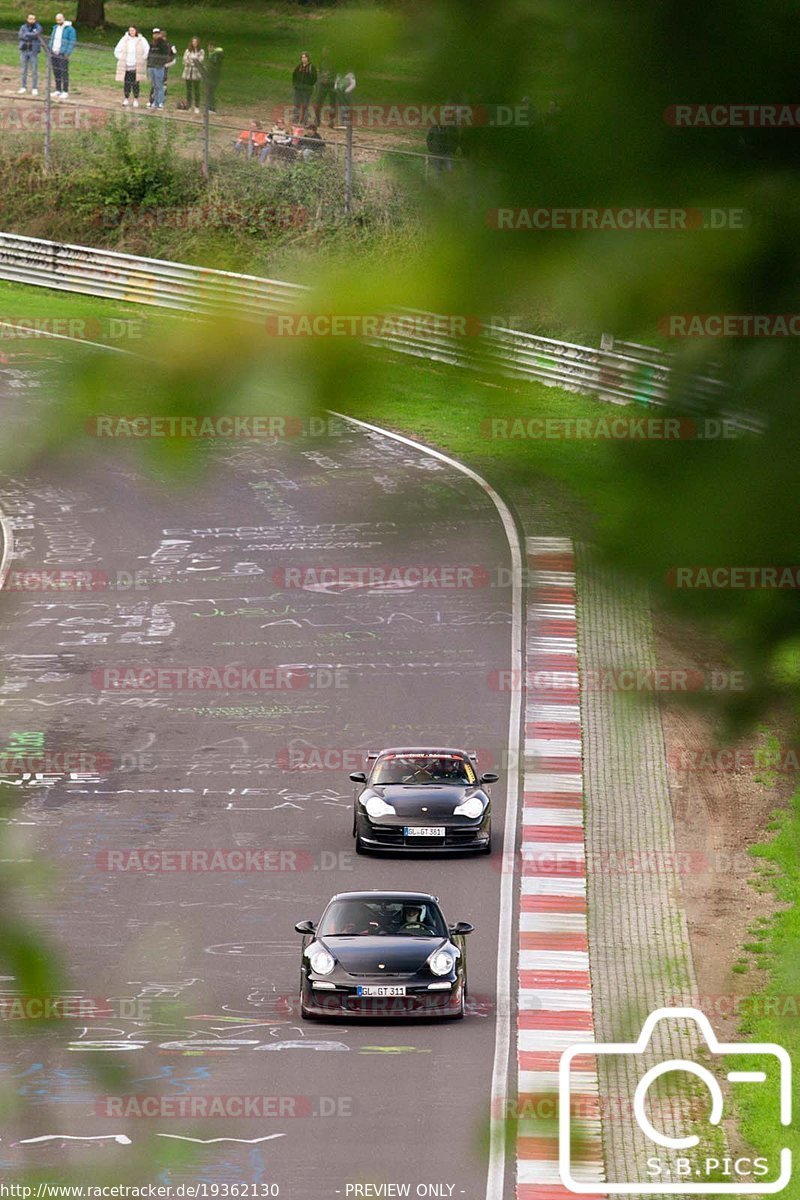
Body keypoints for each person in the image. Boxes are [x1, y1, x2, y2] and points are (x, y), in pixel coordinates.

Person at [114, 26, 148, 108]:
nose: (131, 32)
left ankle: (136, 99)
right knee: (127, 83)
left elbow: (147, 50)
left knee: (136, 83)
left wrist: (142, 59)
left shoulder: (141, 40)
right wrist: (121, 58)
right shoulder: (124, 39)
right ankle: (126, 98)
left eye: (133, 30)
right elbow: (117, 50)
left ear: (136, 31)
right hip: (127, 65)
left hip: (136, 65)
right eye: (130, 30)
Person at [49, 13, 75, 101]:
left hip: (63, 53)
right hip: (54, 52)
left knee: (64, 72)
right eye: (57, 20)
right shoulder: (55, 28)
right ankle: (58, 89)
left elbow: (71, 41)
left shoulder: (70, 29)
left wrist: (67, 53)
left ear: (63, 18)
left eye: (60, 19)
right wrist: (50, 48)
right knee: (56, 72)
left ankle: (65, 91)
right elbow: (52, 38)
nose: (58, 21)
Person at [18, 13, 43, 96]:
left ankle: (34, 88)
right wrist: (32, 35)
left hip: (33, 51)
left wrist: (27, 34)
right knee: (23, 70)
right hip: (24, 50)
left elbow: (37, 34)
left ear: (35, 20)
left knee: (34, 70)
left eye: (33, 19)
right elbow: (21, 36)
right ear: (27, 19)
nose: (31, 20)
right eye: (30, 18)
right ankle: (23, 87)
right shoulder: (23, 27)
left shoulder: (38, 27)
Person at [146, 29, 170, 110]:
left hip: (159, 67)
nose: (156, 35)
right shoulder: (152, 44)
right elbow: (149, 54)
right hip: (151, 66)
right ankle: (154, 102)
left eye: (157, 34)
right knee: (154, 85)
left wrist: (161, 63)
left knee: (159, 85)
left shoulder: (163, 44)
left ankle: (160, 102)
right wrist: (149, 63)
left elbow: (166, 55)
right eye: (154, 34)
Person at [313, 47, 336, 128]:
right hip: (322, 85)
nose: (325, 54)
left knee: (332, 104)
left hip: (332, 85)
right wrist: (319, 80)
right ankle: (317, 120)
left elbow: (337, 74)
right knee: (318, 103)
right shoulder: (322, 62)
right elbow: (319, 72)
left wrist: (330, 79)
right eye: (323, 52)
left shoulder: (335, 63)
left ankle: (331, 121)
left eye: (326, 52)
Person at [292, 51, 316, 125]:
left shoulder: (311, 67)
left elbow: (314, 78)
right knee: (296, 105)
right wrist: (295, 85)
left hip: (307, 90)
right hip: (298, 89)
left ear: (308, 58)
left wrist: (308, 85)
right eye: (302, 57)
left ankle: (304, 122)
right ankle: (295, 121)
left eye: (305, 57)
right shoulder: (299, 67)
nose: (304, 59)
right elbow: (294, 75)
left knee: (305, 106)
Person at [182, 37, 204, 114]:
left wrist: (192, 61)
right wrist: (192, 62)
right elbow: (184, 60)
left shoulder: (201, 51)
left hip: (196, 73)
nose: (194, 43)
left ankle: (197, 106)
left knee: (196, 90)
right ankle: (189, 105)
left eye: (196, 42)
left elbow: (200, 60)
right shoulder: (187, 51)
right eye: (193, 42)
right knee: (188, 90)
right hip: (188, 72)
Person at [206, 44, 224, 113]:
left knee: (211, 92)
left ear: (213, 47)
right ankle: (210, 107)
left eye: (209, 47)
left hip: (214, 77)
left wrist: (208, 67)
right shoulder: (213, 54)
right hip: (211, 76)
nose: (208, 49)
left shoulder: (216, 55)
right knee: (210, 92)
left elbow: (214, 64)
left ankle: (212, 108)